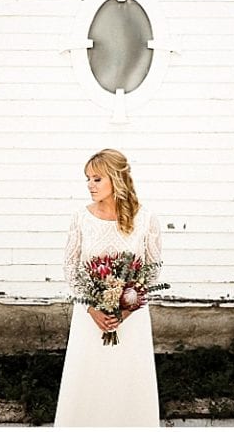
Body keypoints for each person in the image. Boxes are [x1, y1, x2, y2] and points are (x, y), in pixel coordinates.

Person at [54, 149, 162, 427]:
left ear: (116, 178)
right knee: (89, 378)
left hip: (131, 318)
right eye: (87, 179)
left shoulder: (146, 218)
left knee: (127, 380)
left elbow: (152, 269)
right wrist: (92, 308)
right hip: (90, 316)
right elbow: (71, 266)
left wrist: (126, 309)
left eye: (97, 179)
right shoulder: (81, 217)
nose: (90, 185)